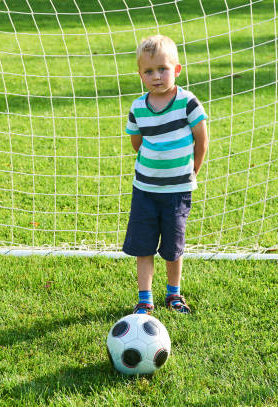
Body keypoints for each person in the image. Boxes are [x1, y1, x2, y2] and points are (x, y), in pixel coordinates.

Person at [123, 35, 209, 314]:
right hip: (145, 190)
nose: (156, 76)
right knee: (143, 246)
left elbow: (202, 139)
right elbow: (137, 143)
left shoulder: (187, 103)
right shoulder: (138, 108)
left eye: (163, 69)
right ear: (140, 75)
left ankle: (174, 295)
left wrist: (193, 169)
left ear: (177, 69)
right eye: (149, 71)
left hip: (176, 192)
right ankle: (145, 299)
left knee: (173, 247)